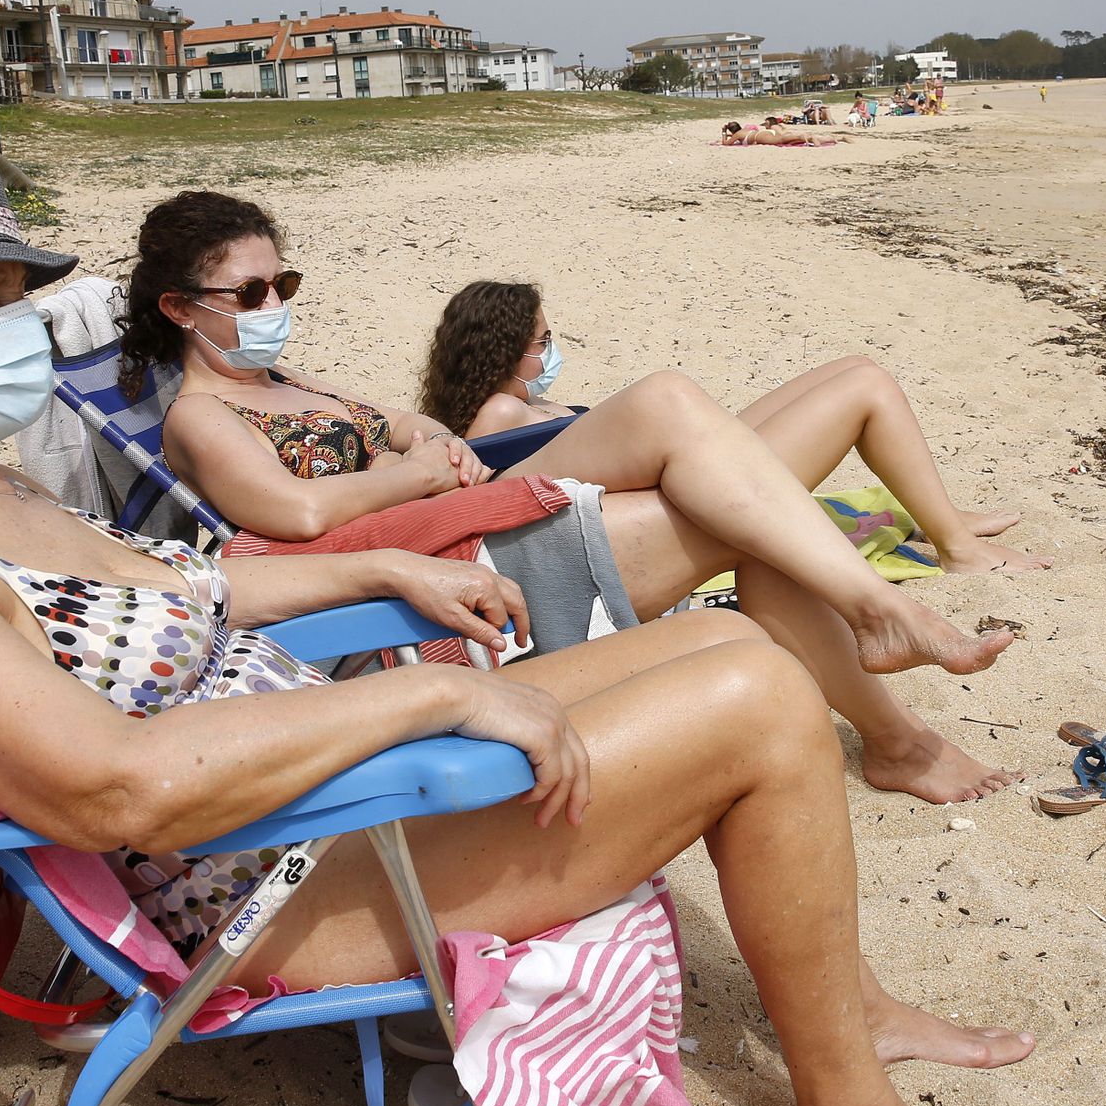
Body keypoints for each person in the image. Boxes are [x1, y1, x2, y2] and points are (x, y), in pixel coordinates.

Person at [0, 134, 1079, 1106]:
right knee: (763, 705)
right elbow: (113, 785)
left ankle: (847, 1012)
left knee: (740, 646)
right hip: (280, 874)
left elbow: (210, 589)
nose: (24, 332)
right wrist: (431, 697)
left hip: (321, 795)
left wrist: (390, 578)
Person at [130, 191, 1027, 803]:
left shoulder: (285, 379)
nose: (273, 303)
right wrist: (421, 471)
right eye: (250, 291)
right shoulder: (202, 417)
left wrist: (434, 446)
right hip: (434, 562)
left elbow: (408, 425)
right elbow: (299, 516)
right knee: (721, 486)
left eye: (282, 284)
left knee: (683, 414)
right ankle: (889, 672)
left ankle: (890, 680)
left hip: (459, 511)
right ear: (179, 308)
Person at [421, 279, 1043, 577]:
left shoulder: (517, 404)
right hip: (677, 504)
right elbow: (514, 501)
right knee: (867, 388)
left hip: (679, 473)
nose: (551, 352)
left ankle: (947, 520)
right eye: (542, 341)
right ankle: (957, 547)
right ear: (504, 353)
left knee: (856, 367)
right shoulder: (500, 415)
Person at [720, 120, 850, 147]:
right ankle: (832, 139)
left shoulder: (738, 135)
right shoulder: (744, 131)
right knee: (786, 139)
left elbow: (725, 143)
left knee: (784, 139)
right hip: (766, 133)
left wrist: (723, 132)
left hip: (764, 137)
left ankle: (808, 137)